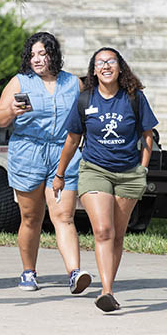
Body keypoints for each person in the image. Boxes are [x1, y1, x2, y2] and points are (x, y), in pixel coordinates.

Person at [53, 47, 158, 312]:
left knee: (118, 235)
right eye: (100, 62)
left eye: (111, 61)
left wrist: (142, 170)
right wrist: (60, 173)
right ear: (94, 70)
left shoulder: (134, 98)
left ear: (120, 67)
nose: (106, 66)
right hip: (94, 170)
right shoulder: (85, 99)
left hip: (128, 174)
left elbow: (147, 135)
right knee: (103, 231)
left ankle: (109, 288)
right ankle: (107, 291)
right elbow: (73, 139)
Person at [0, 32, 91, 294]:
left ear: (53, 55)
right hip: (28, 153)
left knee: (64, 217)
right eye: (33, 54)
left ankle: (74, 273)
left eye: (43, 53)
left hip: (64, 154)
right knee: (31, 218)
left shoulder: (73, 83)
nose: (37, 59)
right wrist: (11, 111)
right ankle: (28, 272)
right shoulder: (19, 82)